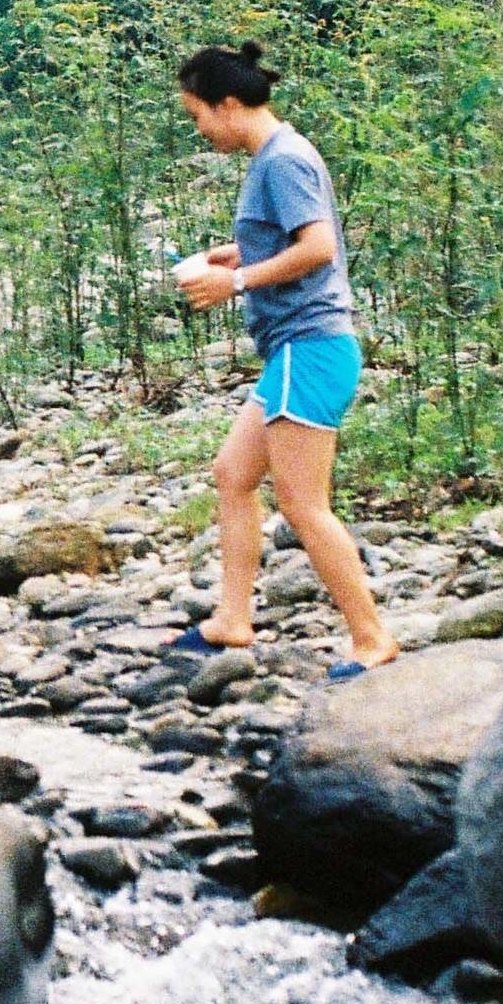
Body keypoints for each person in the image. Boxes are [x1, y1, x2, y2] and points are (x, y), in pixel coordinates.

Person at [169, 42, 399, 681]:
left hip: (312, 348)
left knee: (302, 502)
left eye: (199, 117)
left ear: (230, 104)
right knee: (232, 475)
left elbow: (319, 248)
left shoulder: (284, 161)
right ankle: (232, 620)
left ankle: (371, 636)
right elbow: (289, 238)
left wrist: (236, 285)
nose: (201, 130)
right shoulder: (275, 156)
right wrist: (238, 254)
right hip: (293, 353)